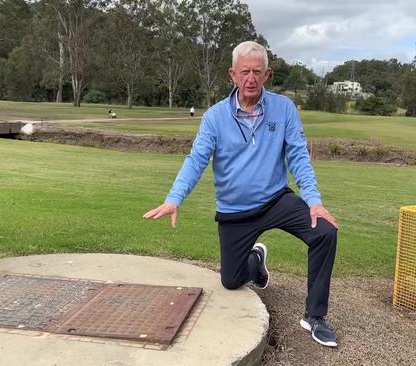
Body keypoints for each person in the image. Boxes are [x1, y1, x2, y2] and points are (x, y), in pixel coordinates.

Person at [143, 41, 339, 347]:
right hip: (235, 210)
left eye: (257, 72)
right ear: (232, 74)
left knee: (325, 231)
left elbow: (299, 156)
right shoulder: (214, 117)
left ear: (267, 75)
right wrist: (174, 198)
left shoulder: (284, 109)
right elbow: (196, 160)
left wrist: (314, 202)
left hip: (276, 200)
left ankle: (315, 316)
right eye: (244, 72)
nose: (251, 78)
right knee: (231, 281)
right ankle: (255, 260)